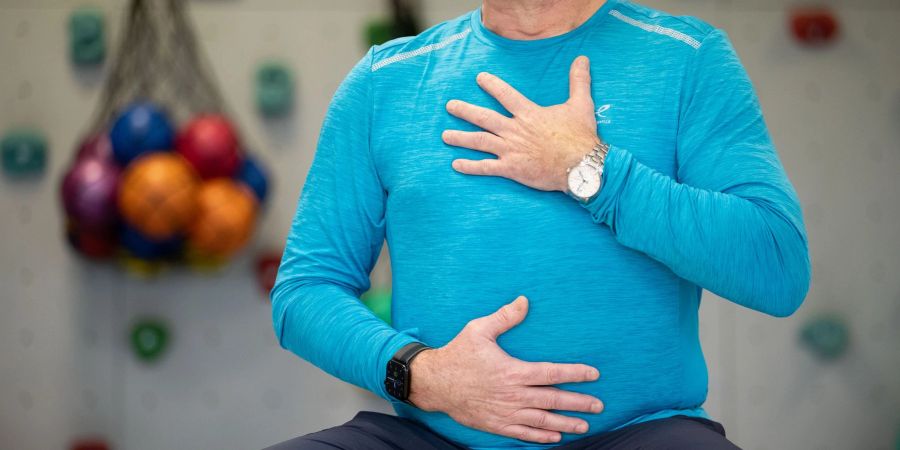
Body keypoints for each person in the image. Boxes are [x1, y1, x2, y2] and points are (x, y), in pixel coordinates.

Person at [267, 0, 810, 448]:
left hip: (640, 435)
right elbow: (305, 291)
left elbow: (777, 265)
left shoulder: (687, 59)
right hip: (431, 436)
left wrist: (589, 170)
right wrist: (422, 375)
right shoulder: (382, 83)